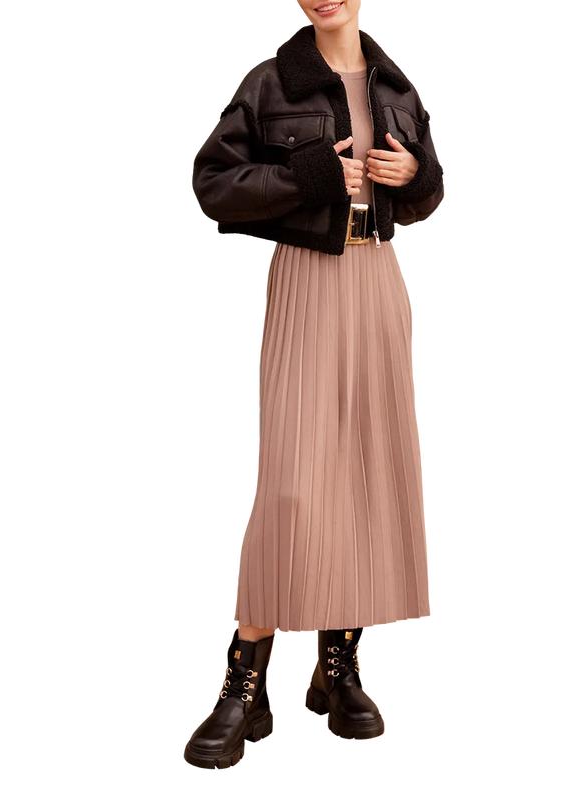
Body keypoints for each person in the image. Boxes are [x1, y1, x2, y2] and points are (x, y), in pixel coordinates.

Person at [184, 0, 444, 769]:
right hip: (305, 279)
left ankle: (339, 668)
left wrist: (415, 175)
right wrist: (309, 175)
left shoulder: (396, 85)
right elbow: (213, 184)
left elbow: (426, 196)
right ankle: (244, 681)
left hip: (379, 282)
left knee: (365, 475)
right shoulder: (273, 82)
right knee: (293, 485)